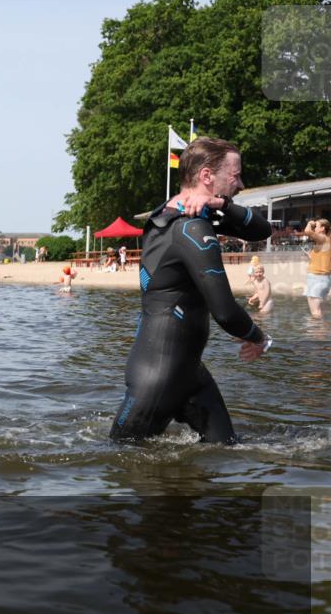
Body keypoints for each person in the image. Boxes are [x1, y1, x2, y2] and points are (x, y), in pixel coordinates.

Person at [111, 137, 272, 444]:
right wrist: (258, 337)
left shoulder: (183, 214)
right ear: (207, 176)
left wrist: (220, 204)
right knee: (119, 459)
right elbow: (224, 311)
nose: (240, 183)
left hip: (189, 370)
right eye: (235, 175)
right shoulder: (190, 227)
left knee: (226, 450)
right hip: (159, 374)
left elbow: (262, 230)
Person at [302, 218, 331, 318]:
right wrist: (309, 256)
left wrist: (310, 222)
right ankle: (321, 332)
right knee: (319, 312)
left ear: (323, 228)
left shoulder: (322, 238)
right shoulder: (326, 241)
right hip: (319, 278)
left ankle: (317, 332)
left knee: (316, 313)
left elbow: (307, 231)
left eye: (316, 226)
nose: (314, 228)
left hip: (317, 278)